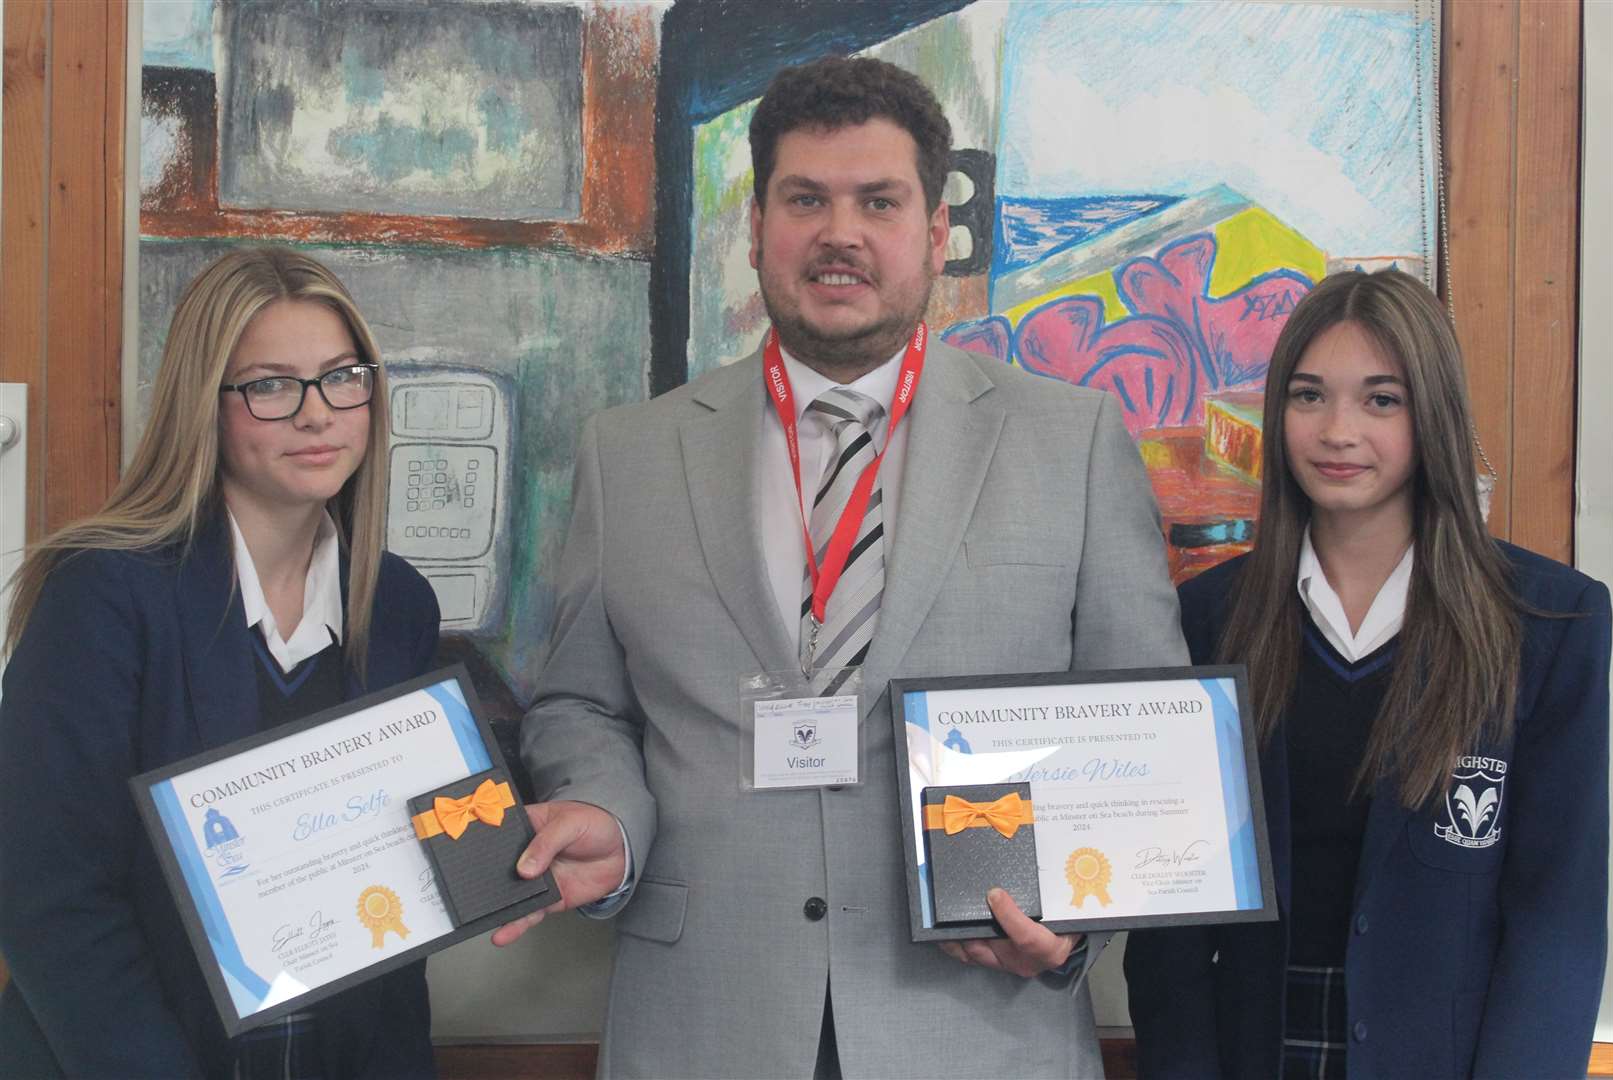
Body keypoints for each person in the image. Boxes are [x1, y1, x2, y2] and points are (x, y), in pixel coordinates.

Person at [495, 56, 1185, 1078]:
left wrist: (1076, 913)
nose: (839, 234)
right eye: (804, 199)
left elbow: (1139, 715)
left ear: (935, 230)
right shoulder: (629, 454)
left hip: (977, 1022)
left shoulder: (1068, 440)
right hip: (706, 1023)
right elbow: (578, 707)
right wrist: (606, 816)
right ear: (757, 224)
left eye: (878, 201)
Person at [1124, 269, 1611, 1079]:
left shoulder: (1550, 621)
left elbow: (1556, 917)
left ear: (1434, 418)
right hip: (1255, 1051)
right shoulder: (1207, 617)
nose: (1337, 431)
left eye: (1381, 400)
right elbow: (1170, 923)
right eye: (1309, 396)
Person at [0, 248, 442, 1078]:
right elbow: (52, 908)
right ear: (204, 404)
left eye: (342, 375)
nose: (317, 413)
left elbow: (402, 891)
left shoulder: (399, 606)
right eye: (271, 385)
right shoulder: (100, 597)